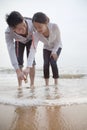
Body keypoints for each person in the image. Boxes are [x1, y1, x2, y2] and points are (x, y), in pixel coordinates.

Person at [24, 12, 62, 86]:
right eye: (35, 27)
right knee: (45, 64)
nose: (38, 29)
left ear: (46, 23)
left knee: (53, 62)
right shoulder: (36, 34)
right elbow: (32, 50)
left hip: (57, 46)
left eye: (40, 26)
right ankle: (46, 84)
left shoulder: (54, 27)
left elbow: (58, 41)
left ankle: (56, 83)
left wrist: (54, 51)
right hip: (46, 48)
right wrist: (28, 67)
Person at [5, 11, 35, 88]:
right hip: (19, 41)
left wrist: (28, 66)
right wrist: (17, 70)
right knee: (19, 62)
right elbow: (11, 50)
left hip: (31, 40)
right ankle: (20, 86)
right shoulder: (8, 32)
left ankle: (32, 84)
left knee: (32, 62)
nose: (24, 29)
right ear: (13, 29)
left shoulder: (33, 23)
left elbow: (33, 49)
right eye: (20, 29)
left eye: (24, 25)